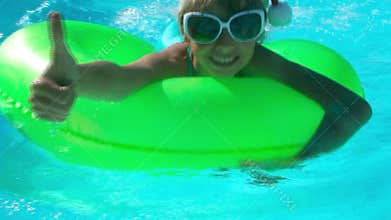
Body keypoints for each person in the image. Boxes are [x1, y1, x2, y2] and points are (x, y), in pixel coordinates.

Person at [29, 0, 372, 159]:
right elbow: (124, 78)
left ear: (260, 31)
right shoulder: (177, 59)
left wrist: (296, 160)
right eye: (205, 27)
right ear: (185, 31)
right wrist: (74, 80)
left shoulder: (267, 64)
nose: (225, 44)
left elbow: (355, 109)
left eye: (243, 25)